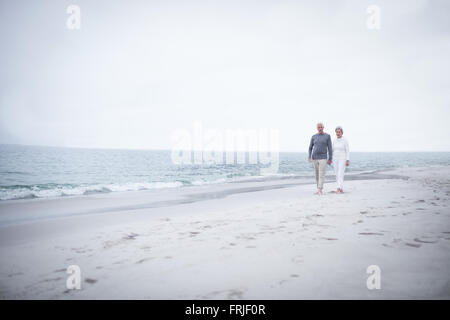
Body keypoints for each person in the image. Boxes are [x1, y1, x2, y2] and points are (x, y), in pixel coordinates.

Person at [308, 123, 332, 195]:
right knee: (317, 174)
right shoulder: (313, 136)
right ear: (317, 128)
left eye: (321, 127)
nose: (320, 128)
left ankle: (320, 189)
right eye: (319, 127)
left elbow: (330, 148)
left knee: (321, 174)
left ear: (323, 127)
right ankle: (318, 188)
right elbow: (310, 147)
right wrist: (309, 156)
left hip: (323, 158)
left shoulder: (327, 136)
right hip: (314, 158)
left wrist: (330, 158)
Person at [332, 126, 350, 193]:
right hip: (335, 159)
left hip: (342, 158)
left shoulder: (345, 140)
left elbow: (347, 150)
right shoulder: (334, 140)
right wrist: (330, 158)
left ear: (342, 132)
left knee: (340, 173)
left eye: (339, 132)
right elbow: (332, 150)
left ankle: (339, 188)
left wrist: (347, 160)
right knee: (336, 174)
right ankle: (340, 187)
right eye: (337, 132)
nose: (338, 133)